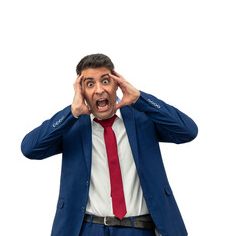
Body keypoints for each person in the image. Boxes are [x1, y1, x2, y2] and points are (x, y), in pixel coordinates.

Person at [21, 54, 198, 236]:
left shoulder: (142, 118)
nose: (99, 90)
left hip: (140, 229)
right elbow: (30, 148)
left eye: (105, 81)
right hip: (89, 229)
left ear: (116, 85)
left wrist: (140, 98)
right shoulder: (72, 127)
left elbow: (187, 131)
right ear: (81, 91)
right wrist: (71, 113)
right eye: (90, 84)